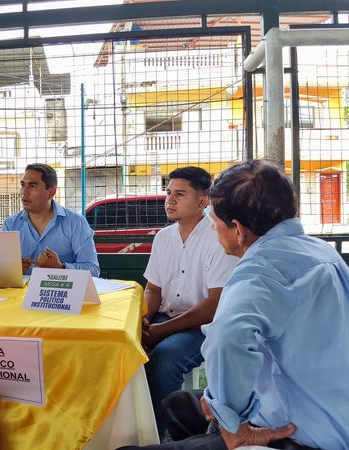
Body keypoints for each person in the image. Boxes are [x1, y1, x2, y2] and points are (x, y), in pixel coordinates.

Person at [119, 159, 349, 450]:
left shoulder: (258, 271)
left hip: (295, 433)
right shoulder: (323, 253)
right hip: (333, 412)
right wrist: (220, 397)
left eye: (215, 223)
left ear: (238, 230)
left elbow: (227, 341)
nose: (213, 229)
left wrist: (234, 425)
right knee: (179, 404)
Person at [141, 166, 238, 439]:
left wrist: (159, 331)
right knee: (126, 349)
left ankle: (162, 436)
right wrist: (143, 320)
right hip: (165, 318)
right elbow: (153, 290)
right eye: (168, 193)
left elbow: (214, 304)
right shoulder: (163, 238)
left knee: (164, 360)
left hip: (202, 325)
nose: (169, 200)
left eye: (180, 194)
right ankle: (135, 428)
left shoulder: (218, 237)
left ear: (202, 201)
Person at [2, 163, 100, 277]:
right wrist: (12, 269)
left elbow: (93, 271)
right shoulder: (10, 225)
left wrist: (61, 267)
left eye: (32, 186)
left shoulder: (75, 222)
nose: (24, 191)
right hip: (21, 289)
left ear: (51, 192)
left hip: (61, 288)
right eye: (23, 185)